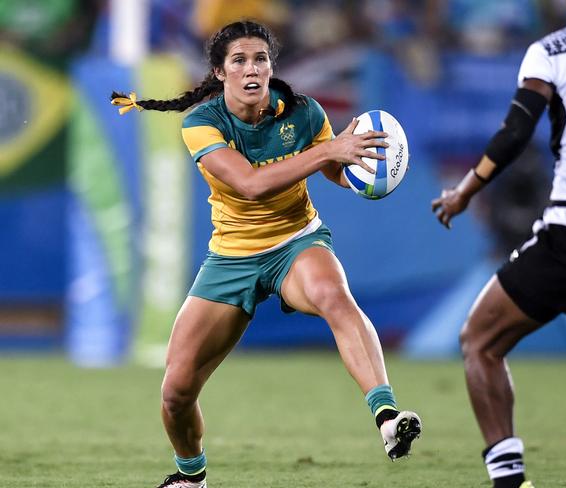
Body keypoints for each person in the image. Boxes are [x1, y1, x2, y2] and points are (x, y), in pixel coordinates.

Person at [111, 20, 421, 488]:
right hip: (230, 258)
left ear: (272, 66)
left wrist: (362, 169)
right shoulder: (201, 123)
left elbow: (332, 169)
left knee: (333, 295)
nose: (251, 69)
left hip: (296, 242)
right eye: (239, 61)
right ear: (219, 72)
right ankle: (191, 478)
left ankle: (386, 416)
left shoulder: (304, 113)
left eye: (260, 59)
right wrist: (328, 152)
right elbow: (251, 186)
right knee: (176, 392)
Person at [431, 1, 566, 487]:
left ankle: (510, 480)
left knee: (481, 342)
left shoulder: (550, 51)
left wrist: (465, 190)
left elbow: (515, 132)